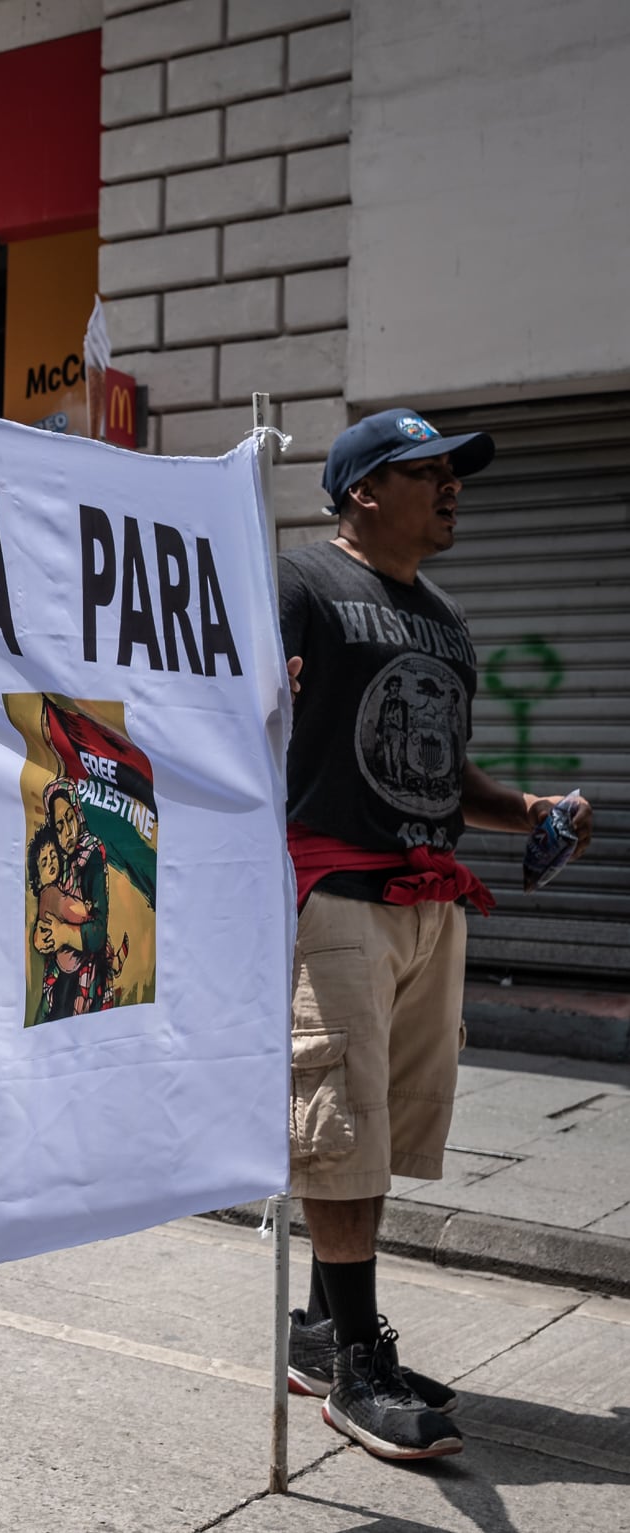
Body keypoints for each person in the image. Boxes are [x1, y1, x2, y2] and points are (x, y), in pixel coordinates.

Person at [280, 409, 595, 1461]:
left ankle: (327, 1329)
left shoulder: (442, 616)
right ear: (362, 489)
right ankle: (353, 1376)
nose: (452, 487)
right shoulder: (300, 587)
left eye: (455, 474)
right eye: (429, 473)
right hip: (334, 894)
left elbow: (438, 767)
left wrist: (528, 811)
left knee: (386, 1121)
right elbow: (235, 720)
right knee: (338, 1123)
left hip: (429, 899)